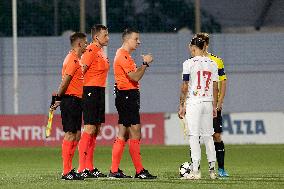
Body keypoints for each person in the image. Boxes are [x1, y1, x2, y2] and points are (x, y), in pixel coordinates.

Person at [109, 28, 157, 179]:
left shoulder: (125, 56)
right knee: (135, 131)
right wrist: (145, 63)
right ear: (127, 40)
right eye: (136, 39)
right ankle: (139, 171)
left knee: (123, 132)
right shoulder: (122, 56)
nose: (139, 42)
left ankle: (114, 170)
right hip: (127, 96)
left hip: (127, 96)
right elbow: (135, 77)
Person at [178, 37, 218, 180]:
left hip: (194, 102)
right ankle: (213, 171)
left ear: (193, 47)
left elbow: (185, 86)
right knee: (208, 136)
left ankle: (196, 171)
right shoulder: (212, 63)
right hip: (208, 102)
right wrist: (214, 105)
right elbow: (215, 86)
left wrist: (182, 104)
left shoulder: (188, 63)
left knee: (194, 136)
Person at [51, 32, 87, 180]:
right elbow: (65, 81)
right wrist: (57, 98)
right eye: (85, 43)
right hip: (70, 100)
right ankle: (66, 172)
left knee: (77, 134)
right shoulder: (72, 60)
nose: (86, 45)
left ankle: (70, 169)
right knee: (70, 134)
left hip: (76, 100)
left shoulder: (75, 59)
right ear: (79, 44)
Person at [77, 24, 109, 178]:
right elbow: (80, 70)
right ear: (96, 37)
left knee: (96, 129)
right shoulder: (90, 50)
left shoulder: (101, 51)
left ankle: (89, 166)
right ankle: (81, 167)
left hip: (99, 91)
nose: (107, 38)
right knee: (89, 128)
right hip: (89, 90)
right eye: (105, 35)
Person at [195, 32, 229, 177]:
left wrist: (220, 101)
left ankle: (220, 168)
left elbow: (223, 82)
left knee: (216, 135)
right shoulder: (193, 61)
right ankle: (195, 168)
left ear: (207, 45)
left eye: (203, 42)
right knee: (195, 136)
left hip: (212, 103)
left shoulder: (216, 61)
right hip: (197, 103)